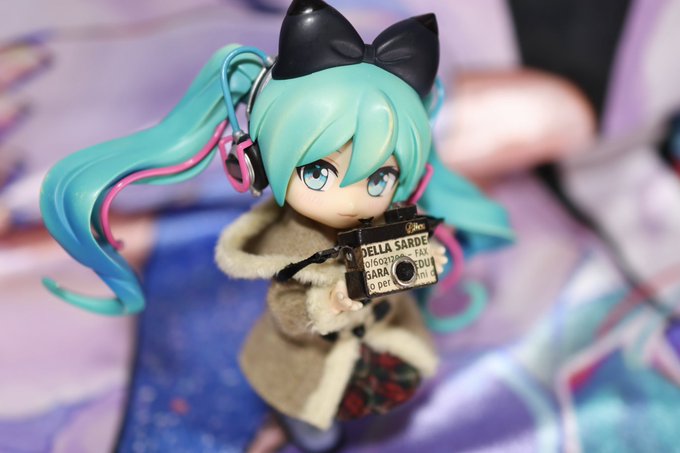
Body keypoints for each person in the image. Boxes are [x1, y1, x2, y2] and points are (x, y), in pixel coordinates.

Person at [40, 0, 513, 451]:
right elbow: (288, 311)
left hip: (376, 355)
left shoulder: (387, 219)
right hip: (307, 362)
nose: (352, 198)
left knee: (367, 399)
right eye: (319, 172)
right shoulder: (288, 246)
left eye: (379, 178)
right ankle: (297, 426)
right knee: (312, 421)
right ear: (256, 165)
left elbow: (399, 268)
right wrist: (329, 302)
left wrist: (426, 255)